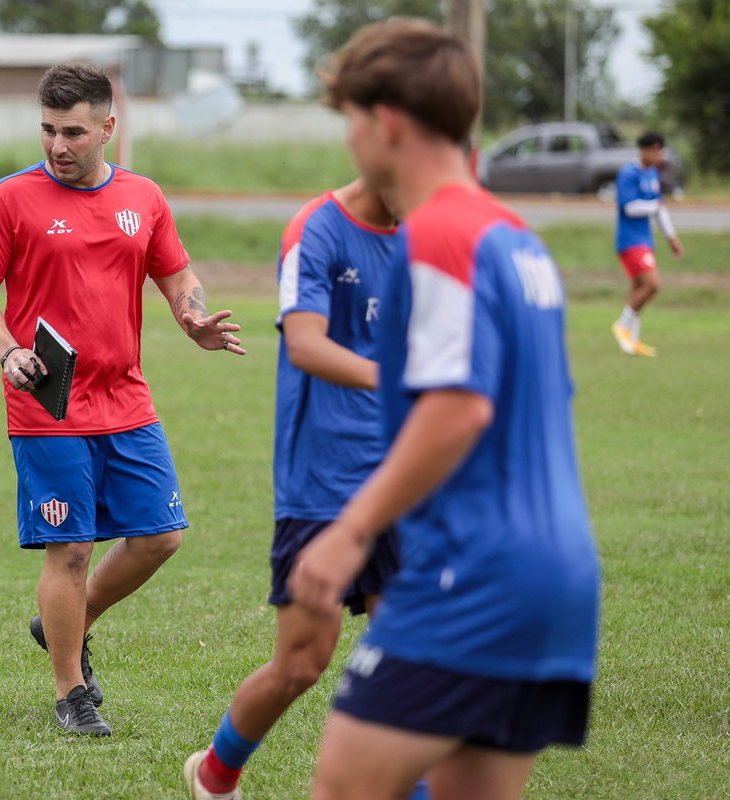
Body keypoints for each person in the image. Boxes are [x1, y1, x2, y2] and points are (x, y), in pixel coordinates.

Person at [288, 20, 601, 800]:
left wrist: (348, 534)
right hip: (558, 575)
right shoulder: (516, 238)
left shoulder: (439, 237)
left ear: (385, 121)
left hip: (476, 573)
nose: (352, 138)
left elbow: (458, 410)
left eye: (352, 119)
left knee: (345, 787)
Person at [0, 62, 245, 738]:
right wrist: (9, 353)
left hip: (126, 398)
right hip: (48, 404)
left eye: (75, 132)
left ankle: (63, 621)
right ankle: (71, 691)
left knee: (161, 536)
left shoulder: (143, 197)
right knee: (72, 549)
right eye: (49, 131)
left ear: (108, 128)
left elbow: (177, 274)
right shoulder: (11, 198)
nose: (58, 146)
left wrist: (193, 317)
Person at [185, 178, 419, 800]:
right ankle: (215, 773)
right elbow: (307, 343)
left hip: (399, 473)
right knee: (303, 663)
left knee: (414, 658)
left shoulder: (427, 234)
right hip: (321, 479)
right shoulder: (316, 228)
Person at [610, 131, 683, 357]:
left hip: (645, 240)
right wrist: (654, 207)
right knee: (652, 284)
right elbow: (629, 207)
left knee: (638, 289)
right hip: (630, 241)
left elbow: (659, 208)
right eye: (654, 150)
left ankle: (631, 341)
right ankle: (622, 326)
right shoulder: (628, 174)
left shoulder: (652, 173)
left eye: (659, 150)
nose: (657, 155)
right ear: (642, 150)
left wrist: (671, 237)